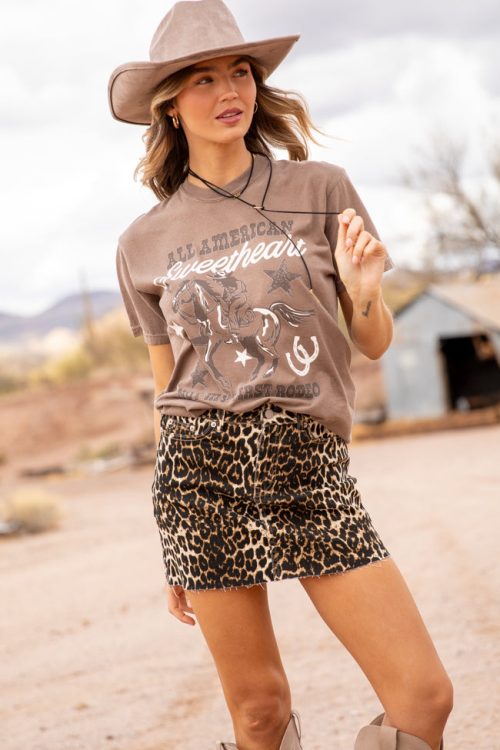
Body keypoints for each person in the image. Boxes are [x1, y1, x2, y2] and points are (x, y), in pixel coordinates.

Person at [108, 1, 453, 749]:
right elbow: (168, 393)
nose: (228, 90)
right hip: (200, 474)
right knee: (260, 712)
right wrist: (173, 538)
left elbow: (373, 342)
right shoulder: (142, 242)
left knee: (423, 696)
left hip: (309, 463)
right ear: (169, 106)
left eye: (239, 72)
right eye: (202, 79)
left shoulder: (321, 189)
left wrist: (363, 290)